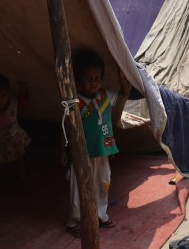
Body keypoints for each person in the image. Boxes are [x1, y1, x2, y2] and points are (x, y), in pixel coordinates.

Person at [64, 48, 131, 237]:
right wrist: (63, 150)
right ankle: (74, 220)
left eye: (97, 78)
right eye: (88, 78)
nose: (93, 83)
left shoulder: (104, 96)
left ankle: (101, 215)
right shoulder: (74, 102)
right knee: (79, 187)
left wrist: (123, 72)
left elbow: (124, 94)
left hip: (102, 150)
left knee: (103, 183)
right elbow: (65, 126)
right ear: (77, 79)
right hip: (82, 152)